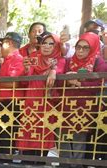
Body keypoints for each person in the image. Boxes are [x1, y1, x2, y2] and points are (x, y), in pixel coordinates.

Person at [17, 33, 66, 155]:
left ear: (56, 46)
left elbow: (60, 71)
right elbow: (23, 81)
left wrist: (53, 71)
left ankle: (40, 163)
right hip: (31, 102)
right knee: (28, 135)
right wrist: (26, 70)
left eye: (51, 43)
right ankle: (26, 164)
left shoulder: (59, 60)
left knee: (43, 135)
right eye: (44, 43)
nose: (47, 46)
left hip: (47, 104)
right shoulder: (34, 57)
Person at [61, 32, 107, 160]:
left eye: (85, 47)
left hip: (86, 107)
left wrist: (78, 82)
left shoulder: (99, 62)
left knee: (79, 136)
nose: (80, 51)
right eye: (78, 47)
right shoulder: (68, 61)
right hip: (66, 105)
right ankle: (63, 164)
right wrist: (66, 79)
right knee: (64, 135)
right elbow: (59, 79)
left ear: (93, 47)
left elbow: (100, 82)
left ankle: (76, 166)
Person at [0, 32, 25, 154]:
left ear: (8, 44)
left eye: (2, 43)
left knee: (4, 133)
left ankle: (3, 156)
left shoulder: (17, 59)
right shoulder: (8, 60)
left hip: (8, 103)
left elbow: (15, 83)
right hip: (1, 102)